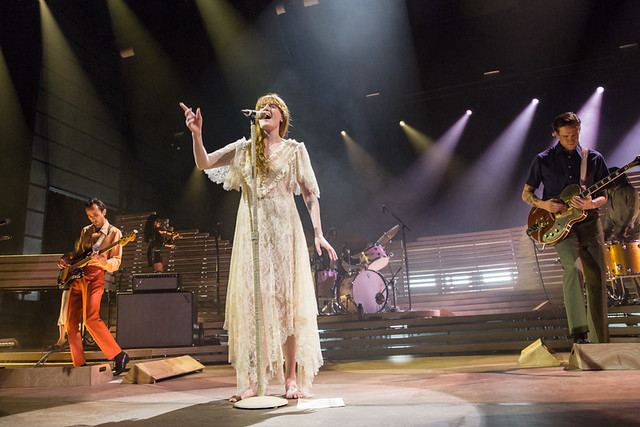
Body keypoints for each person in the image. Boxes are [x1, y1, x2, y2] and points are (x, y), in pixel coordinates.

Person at [180, 94, 337, 402]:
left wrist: (318, 233)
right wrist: (196, 134)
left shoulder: (295, 150)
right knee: (255, 305)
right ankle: (255, 380)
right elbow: (204, 163)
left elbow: (309, 193)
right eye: (262, 106)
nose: (265, 109)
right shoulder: (244, 149)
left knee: (287, 302)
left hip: (284, 232)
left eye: (271, 106)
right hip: (252, 233)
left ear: (282, 117)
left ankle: (291, 378)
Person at [522, 112, 609, 344]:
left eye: (575, 135)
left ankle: (600, 340)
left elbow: (604, 195)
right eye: (566, 136)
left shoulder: (594, 158)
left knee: (597, 277)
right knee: (573, 266)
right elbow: (526, 194)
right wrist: (543, 204)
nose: (571, 139)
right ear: (556, 134)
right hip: (559, 225)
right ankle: (579, 334)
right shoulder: (543, 159)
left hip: (589, 222)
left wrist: (592, 203)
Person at [57, 198, 129, 374]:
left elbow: (116, 262)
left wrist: (104, 262)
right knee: (70, 323)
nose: (93, 218)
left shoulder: (114, 233)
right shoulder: (85, 230)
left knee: (90, 319)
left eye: (95, 215)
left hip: (95, 276)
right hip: (77, 277)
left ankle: (119, 355)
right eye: (89, 216)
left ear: (104, 212)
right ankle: (79, 364)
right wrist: (67, 258)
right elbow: (77, 253)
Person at [603, 167, 640, 243]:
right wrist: (605, 233)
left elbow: (634, 210)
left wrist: (625, 229)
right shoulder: (610, 194)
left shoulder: (630, 190)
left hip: (634, 234)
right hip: (620, 235)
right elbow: (609, 216)